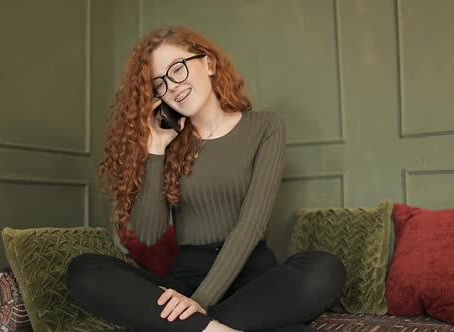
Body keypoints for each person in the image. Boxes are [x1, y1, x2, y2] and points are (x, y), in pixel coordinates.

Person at [66, 26, 346, 332]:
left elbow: (251, 226)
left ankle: (195, 327)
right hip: (186, 281)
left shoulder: (265, 127)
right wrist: (156, 148)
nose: (172, 86)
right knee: (84, 270)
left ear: (208, 63)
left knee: (325, 268)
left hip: (254, 284)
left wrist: (199, 303)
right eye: (159, 84)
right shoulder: (169, 144)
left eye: (177, 69)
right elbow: (148, 233)